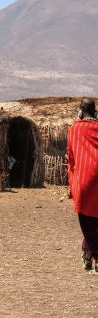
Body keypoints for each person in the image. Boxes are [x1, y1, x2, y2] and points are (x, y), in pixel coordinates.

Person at [68, 97, 98, 274]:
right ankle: (87, 254)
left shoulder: (75, 129)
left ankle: (95, 253)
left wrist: (72, 181)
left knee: (86, 221)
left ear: (80, 110)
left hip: (86, 179)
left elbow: (71, 158)